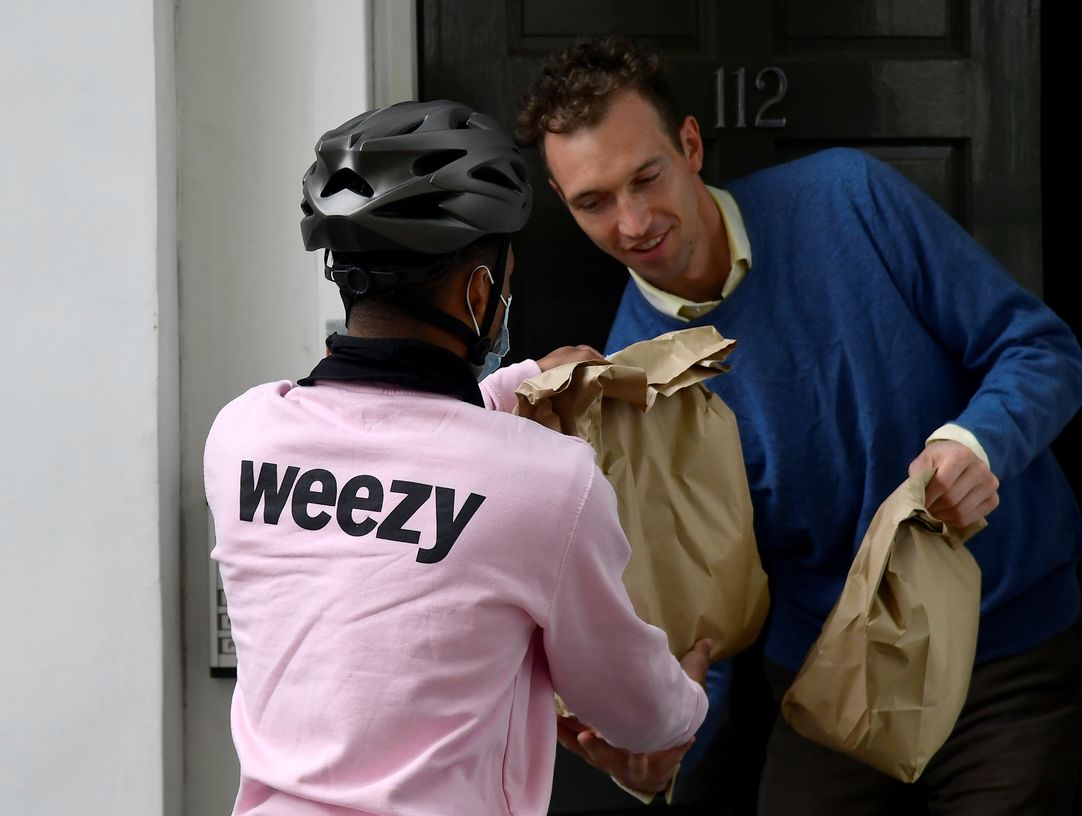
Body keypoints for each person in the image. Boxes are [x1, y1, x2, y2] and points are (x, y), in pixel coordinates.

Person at [514, 36, 1082, 815]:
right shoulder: (628, 381)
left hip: (1007, 651)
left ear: (690, 146)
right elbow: (702, 615)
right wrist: (662, 747)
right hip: (830, 679)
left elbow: (1042, 351)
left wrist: (975, 443)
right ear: (562, 200)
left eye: (646, 177)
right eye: (594, 202)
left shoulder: (850, 197)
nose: (634, 221)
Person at [204, 99, 710, 816]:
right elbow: (633, 713)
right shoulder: (552, 483)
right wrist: (687, 702)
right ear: (479, 292)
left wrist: (514, 385)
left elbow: (392, 453)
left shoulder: (241, 436)